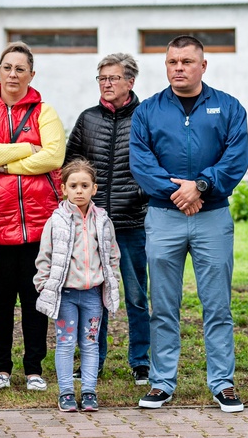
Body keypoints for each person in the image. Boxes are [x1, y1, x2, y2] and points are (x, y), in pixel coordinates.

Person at [130, 35, 248, 413]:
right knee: (163, 304)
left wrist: (200, 186)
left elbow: (236, 157)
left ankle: (223, 382)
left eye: (185, 61)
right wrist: (178, 192)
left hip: (212, 216)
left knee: (217, 304)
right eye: (172, 62)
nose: (178, 68)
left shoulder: (228, 107)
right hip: (164, 217)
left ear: (203, 66)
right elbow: (141, 163)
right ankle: (162, 382)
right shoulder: (148, 111)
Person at [0, 41, 65, 392]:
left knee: (35, 297)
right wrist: (26, 150)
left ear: (31, 74)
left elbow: (54, 157)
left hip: (39, 223)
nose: (13, 74)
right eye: (7, 67)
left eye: (20, 68)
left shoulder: (45, 112)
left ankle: (35, 367)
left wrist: (4, 162)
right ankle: (1, 367)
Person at [65, 52, 150, 385]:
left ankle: (141, 361)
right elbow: (72, 164)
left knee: (136, 296)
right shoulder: (88, 119)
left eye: (113, 78)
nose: (107, 84)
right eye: (102, 78)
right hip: (93, 225)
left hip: (133, 223)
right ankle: (92, 360)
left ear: (130, 81)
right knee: (93, 296)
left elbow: (156, 163)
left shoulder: (146, 116)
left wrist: (140, 195)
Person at [34, 159, 121, 412]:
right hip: (66, 296)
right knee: (65, 343)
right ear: (64, 189)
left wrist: (111, 280)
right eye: (74, 185)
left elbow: (112, 254)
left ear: (94, 188)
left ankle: (90, 392)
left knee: (90, 343)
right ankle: (66, 393)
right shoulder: (56, 220)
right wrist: (43, 284)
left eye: (85, 185)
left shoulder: (103, 220)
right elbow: (45, 256)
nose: (79, 190)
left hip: (93, 295)